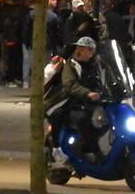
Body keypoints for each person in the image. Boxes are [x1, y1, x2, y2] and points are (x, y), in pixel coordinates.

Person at [44, 36, 103, 166]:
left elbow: (104, 81)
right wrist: (87, 93)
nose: (79, 50)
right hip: (67, 102)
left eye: (83, 48)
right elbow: (70, 85)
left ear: (91, 51)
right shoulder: (70, 65)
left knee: (105, 119)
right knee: (82, 120)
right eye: (78, 47)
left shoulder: (95, 65)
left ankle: (88, 146)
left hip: (87, 102)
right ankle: (58, 149)